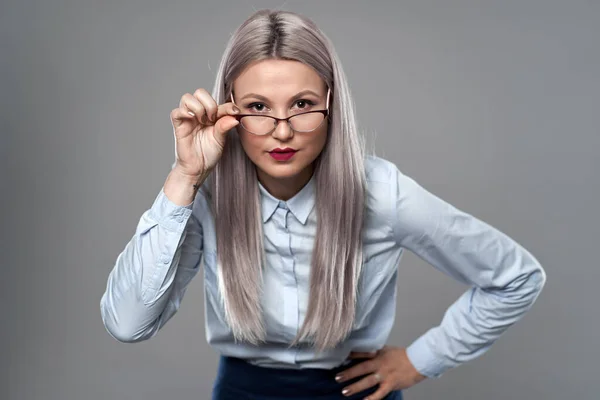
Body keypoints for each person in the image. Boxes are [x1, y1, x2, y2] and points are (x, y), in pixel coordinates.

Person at [99, 9, 546, 400]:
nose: (282, 130)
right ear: (229, 111)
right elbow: (127, 323)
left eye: (302, 104)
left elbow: (516, 277)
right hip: (244, 392)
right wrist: (185, 176)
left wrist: (420, 360)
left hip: (355, 393)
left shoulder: (382, 194)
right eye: (257, 106)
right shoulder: (205, 193)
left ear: (332, 106)